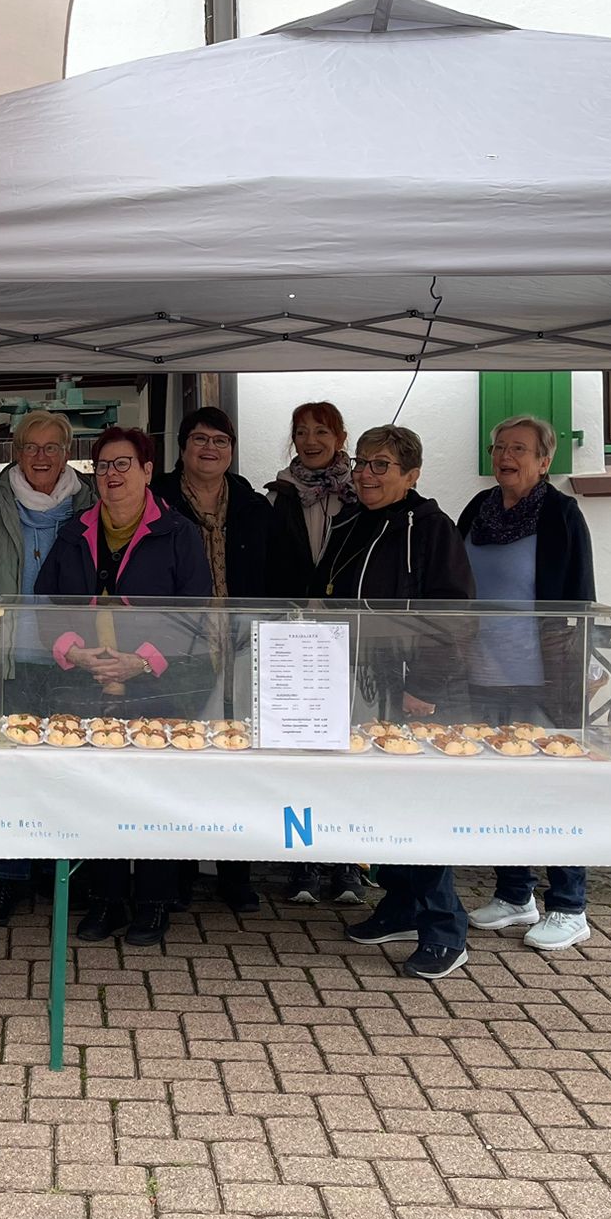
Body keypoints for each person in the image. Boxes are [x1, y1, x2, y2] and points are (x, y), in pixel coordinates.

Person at [37, 426, 213, 947]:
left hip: (159, 688)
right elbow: (45, 606)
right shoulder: (74, 533)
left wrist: (143, 661)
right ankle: (107, 898)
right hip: (89, 687)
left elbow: (194, 613)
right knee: (101, 793)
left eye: (123, 464)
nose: (112, 476)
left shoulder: (178, 533)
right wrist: (73, 650)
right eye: (104, 466)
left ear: (146, 471)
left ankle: (154, 901)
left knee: (153, 795)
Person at [330, 425, 479, 982]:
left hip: (416, 690)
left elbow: (453, 612)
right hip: (364, 684)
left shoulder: (432, 528)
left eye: (381, 466)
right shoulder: (352, 524)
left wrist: (428, 685)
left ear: (412, 474)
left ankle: (445, 927)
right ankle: (399, 905)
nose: (366, 475)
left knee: (419, 805)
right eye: (362, 464)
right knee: (377, 798)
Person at [456, 414, 597, 953]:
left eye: (519, 449)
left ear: (545, 461)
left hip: (544, 673)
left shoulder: (562, 513)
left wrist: (576, 667)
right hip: (483, 670)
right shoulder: (477, 509)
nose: (505, 457)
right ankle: (516, 894)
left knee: (555, 784)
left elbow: (581, 597)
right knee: (498, 779)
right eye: (499, 448)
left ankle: (569, 903)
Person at [0, 410, 94, 926]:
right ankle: (4, 877)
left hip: (76, 662)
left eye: (51, 447)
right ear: (15, 450)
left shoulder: (89, 502)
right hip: (10, 661)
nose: (40, 456)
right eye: (30, 446)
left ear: (66, 451)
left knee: (69, 766)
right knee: (8, 769)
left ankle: (65, 870)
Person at [151, 405, 273, 917]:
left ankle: (235, 872)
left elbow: (278, 577)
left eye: (220, 441)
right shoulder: (156, 499)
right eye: (199, 439)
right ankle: (176, 872)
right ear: (182, 447)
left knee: (238, 759)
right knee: (179, 757)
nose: (209, 449)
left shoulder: (255, 505)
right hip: (178, 650)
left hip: (244, 650)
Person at [262, 400, 365, 908]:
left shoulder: (362, 494)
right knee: (299, 744)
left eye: (321, 431)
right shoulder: (280, 495)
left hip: (350, 639)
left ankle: (345, 860)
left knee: (344, 747)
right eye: (301, 431)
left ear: (341, 436)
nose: (311, 440)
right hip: (295, 641)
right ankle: (302, 859)